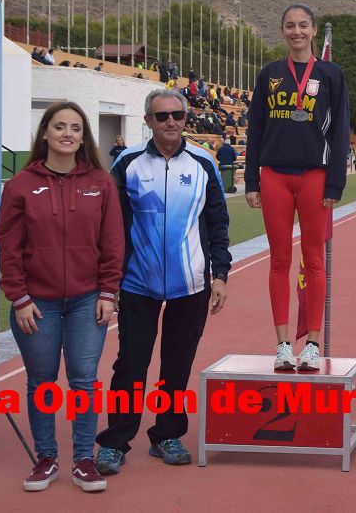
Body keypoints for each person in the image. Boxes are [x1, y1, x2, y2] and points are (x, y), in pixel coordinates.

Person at [95, 89, 231, 475]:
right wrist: (111, 281)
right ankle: (115, 441)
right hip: (138, 284)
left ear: (187, 118)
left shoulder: (204, 162)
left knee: (177, 363)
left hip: (191, 283)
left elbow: (218, 224)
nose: (171, 121)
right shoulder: (128, 162)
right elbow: (111, 227)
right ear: (147, 120)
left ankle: (167, 435)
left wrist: (219, 273)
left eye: (178, 115)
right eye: (161, 116)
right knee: (130, 366)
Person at [0, 102, 124, 493]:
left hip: (89, 299)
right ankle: (46, 458)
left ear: (83, 137)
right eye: (59, 127)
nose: (67, 134)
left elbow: (113, 241)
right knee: (42, 381)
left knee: (84, 381)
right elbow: (8, 245)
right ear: (45, 133)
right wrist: (19, 298)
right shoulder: (20, 185)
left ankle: (84, 460)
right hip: (38, 302)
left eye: (75, 128)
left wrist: (108, 291)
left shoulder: (101, 183)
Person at [244, 4, 350, 372]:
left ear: (314, 29)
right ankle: (282, 345)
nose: (297, 32)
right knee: (279, 261)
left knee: (315, 260)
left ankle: (313, 345)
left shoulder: (331, 74)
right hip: (274, 175)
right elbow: (255, 129)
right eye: (290, 25)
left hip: (315, 176)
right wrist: (251, 179)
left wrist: (336, 181)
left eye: (303, 25)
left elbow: (339, 132)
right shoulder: (270, 73)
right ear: (282, 30)